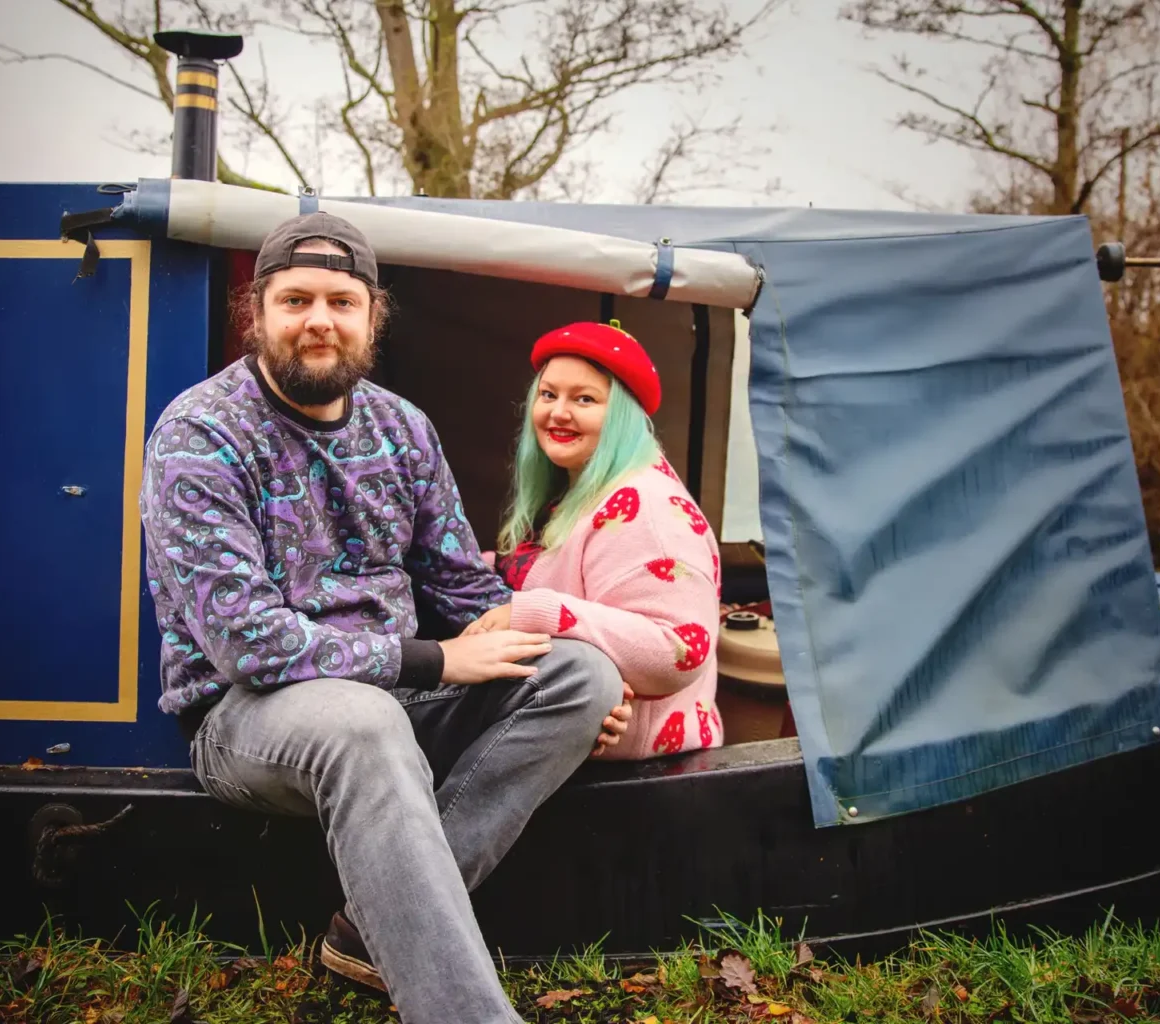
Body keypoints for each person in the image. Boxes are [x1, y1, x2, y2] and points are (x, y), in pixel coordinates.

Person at [138, 212, 630, 1024]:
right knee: (363, 720)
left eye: (342, 300)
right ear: (255, 313)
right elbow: (245, 643)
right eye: (295, 301)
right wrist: (437, 662)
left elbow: (461, 589)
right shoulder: (201, 432)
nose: (319, 321)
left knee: (581, 672)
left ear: (373, 316)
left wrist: (540, 662)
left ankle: (370, 933)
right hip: (247, 721)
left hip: (397, 700)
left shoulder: (403, 428)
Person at [466, 320, 724, 757]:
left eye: (584, 399)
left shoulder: (647, 506)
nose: (558, 413)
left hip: (643, 779)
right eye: (548, 395)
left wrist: (535, 613)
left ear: (624, 415)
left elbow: (679, 648)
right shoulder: (577, 490)